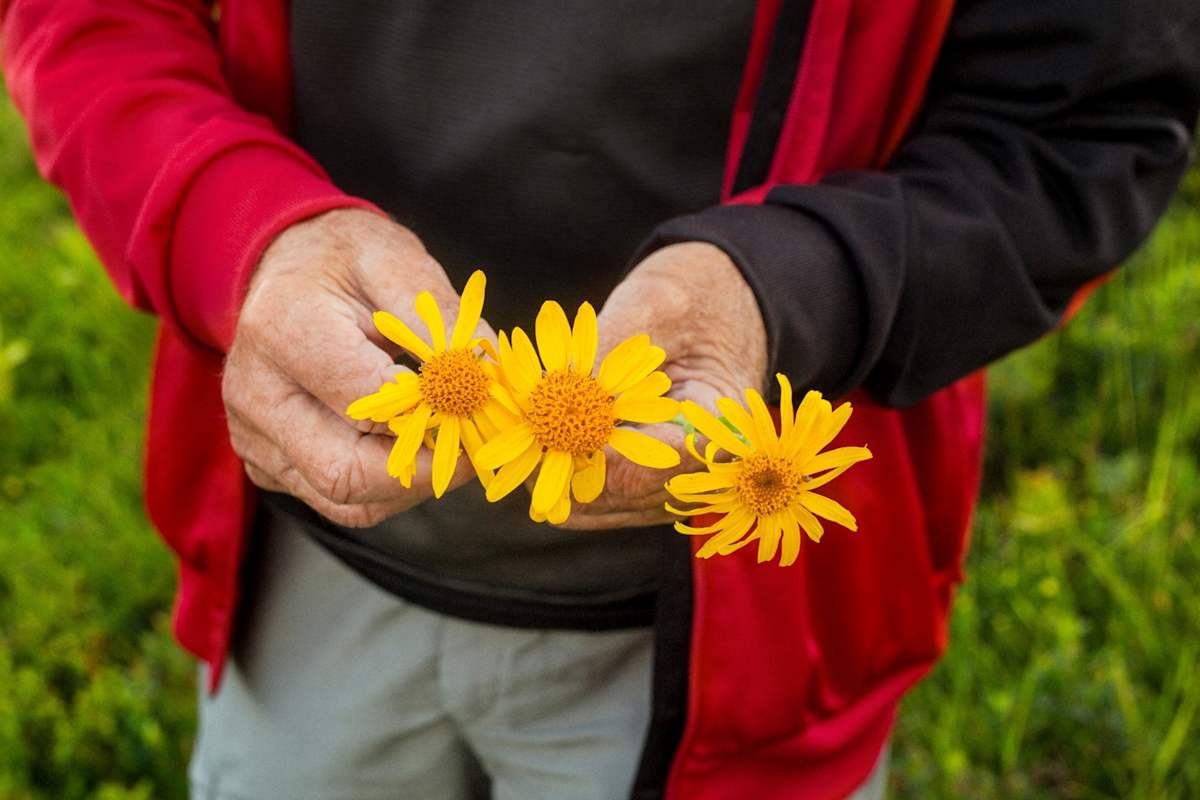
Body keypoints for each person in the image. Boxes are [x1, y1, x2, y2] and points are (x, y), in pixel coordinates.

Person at [3, 1, 1198, 798]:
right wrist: (233, 226)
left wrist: (797, 286)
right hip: (307, 553)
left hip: (751, 633)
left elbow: (1087, 130)